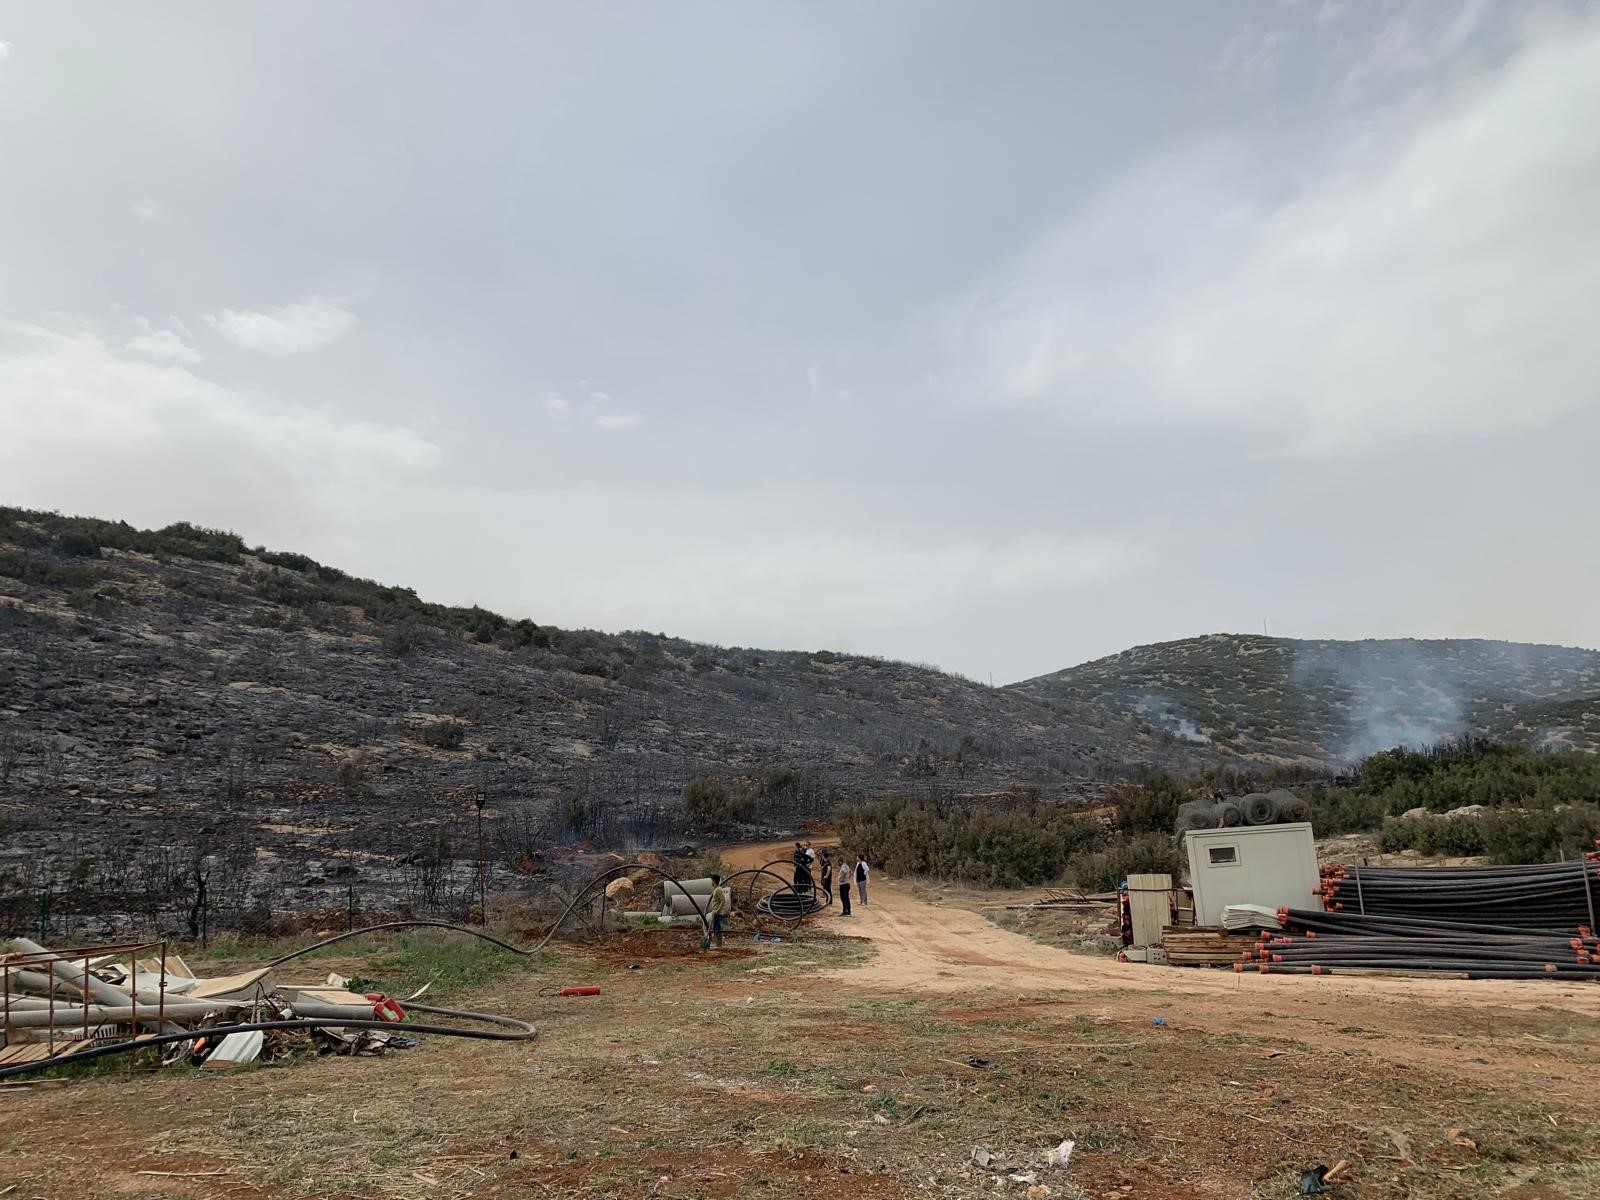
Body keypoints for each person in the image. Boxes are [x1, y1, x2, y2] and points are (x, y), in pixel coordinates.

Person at [706, 873, 731, 949]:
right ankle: (717, 944)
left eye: (712, 881)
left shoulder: (719, 890)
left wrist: (717, 910)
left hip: (718, 912)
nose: (711, 882)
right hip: (715, 912)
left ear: (714, 881)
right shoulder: (716, 889)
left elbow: (723, 901)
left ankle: (719, 945)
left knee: (717, 928)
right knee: (715, 928)